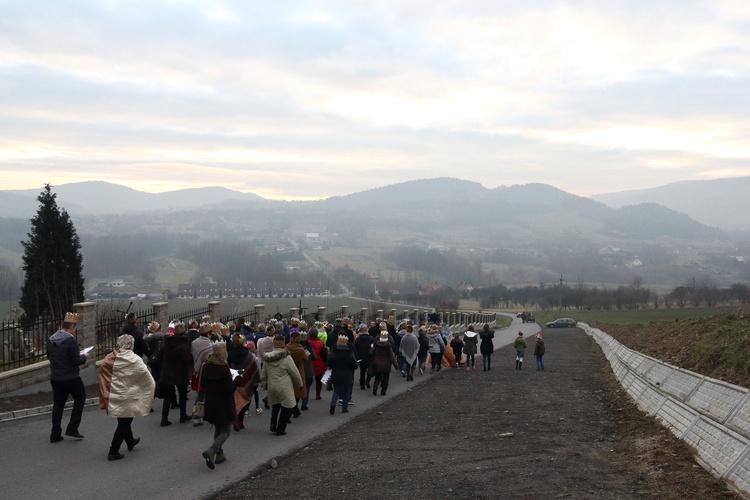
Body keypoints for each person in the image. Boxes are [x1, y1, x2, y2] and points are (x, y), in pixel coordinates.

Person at [97, 334, 155, 461]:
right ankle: (113, 451)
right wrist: (148, 391)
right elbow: (147, 377)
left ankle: (130, 441)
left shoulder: (111, 357)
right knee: (124, 422)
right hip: (130, 397)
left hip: (116, 396)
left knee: (123, 419)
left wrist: (107, 390)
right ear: (131, 345)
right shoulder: (135, 359)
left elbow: (102, 371)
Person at [47, 312, 90, 443]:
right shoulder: (70, 341)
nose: (74, 330)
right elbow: (76, 361)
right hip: (71, 377)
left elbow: (49, 356)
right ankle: (72, 428)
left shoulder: (50, 339)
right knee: (80, 398)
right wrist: (84, 356)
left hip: (55, 377)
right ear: (71, 327)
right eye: (75, 327)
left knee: (58, 404)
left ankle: (55, 434)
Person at [201, 342, 235, 469]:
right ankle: (212, 450)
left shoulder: (206, 366)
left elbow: (203, 384)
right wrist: (235, 381)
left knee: (218, 426)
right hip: (223, 403)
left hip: (210, 401)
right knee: (226, 429)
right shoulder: (224, 368)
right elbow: (228, 389)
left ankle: (220, 455)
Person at [261, 334, 303, 436]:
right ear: (283, 343)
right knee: (287, 406)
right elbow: (294, 372)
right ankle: (280, 428)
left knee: (276, 405)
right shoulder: (286, 357)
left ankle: (273, 424)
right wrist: (300, 383)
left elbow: (264, 373)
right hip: (284, 385)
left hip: (272, 385)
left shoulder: (268, 358)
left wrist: (263, 383)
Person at [157, 321, 193, 426]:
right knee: (182, 395)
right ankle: (183, 415)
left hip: (167, 372)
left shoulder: (166, 342)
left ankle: (164, 419)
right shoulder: (184, 344)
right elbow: (188, 360)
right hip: (180, 372)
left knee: (168, 397)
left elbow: (160, 356)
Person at [326, 335, 358, 414]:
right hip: (347, 375)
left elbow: (329, 363)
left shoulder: (333, 352)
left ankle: (333, 404)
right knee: (346, 392)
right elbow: (355, 365)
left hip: (336, 375)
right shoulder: (350, 353)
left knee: (336, 391)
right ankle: (344, 408)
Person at [190, 322, 213, 426]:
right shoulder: (210, 345)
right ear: (208, 334)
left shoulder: (194, 343)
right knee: (207, 394)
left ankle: (197, 415)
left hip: (196, 370)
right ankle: (203, 415)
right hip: (206, 371)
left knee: (199, 393)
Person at [370, 331, 399, 396]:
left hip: (377, 364)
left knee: (377, 377)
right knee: (386, 378)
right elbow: (392, 357)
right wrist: (396, 365)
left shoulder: (375, 345)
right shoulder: (388, 346)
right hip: (386, 365)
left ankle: (375, 388)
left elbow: (371, 353)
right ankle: (383, 391)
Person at [308, 327, 328, 400]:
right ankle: (318, 394)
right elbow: (324, 355)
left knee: (307, 380)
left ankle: (306, 394)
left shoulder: (307, 342)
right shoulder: (320, 342)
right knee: (318, 380)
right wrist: (326, 363)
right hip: (318, 363)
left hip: (309, 363)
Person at [353, 323, 374, 389]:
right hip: (369, 356)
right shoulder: (371, 338)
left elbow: (355, 348)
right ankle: (368, 380)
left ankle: (362, 384)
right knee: (369, 370)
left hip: (361, 357)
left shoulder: (357, 339)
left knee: (362, 371)